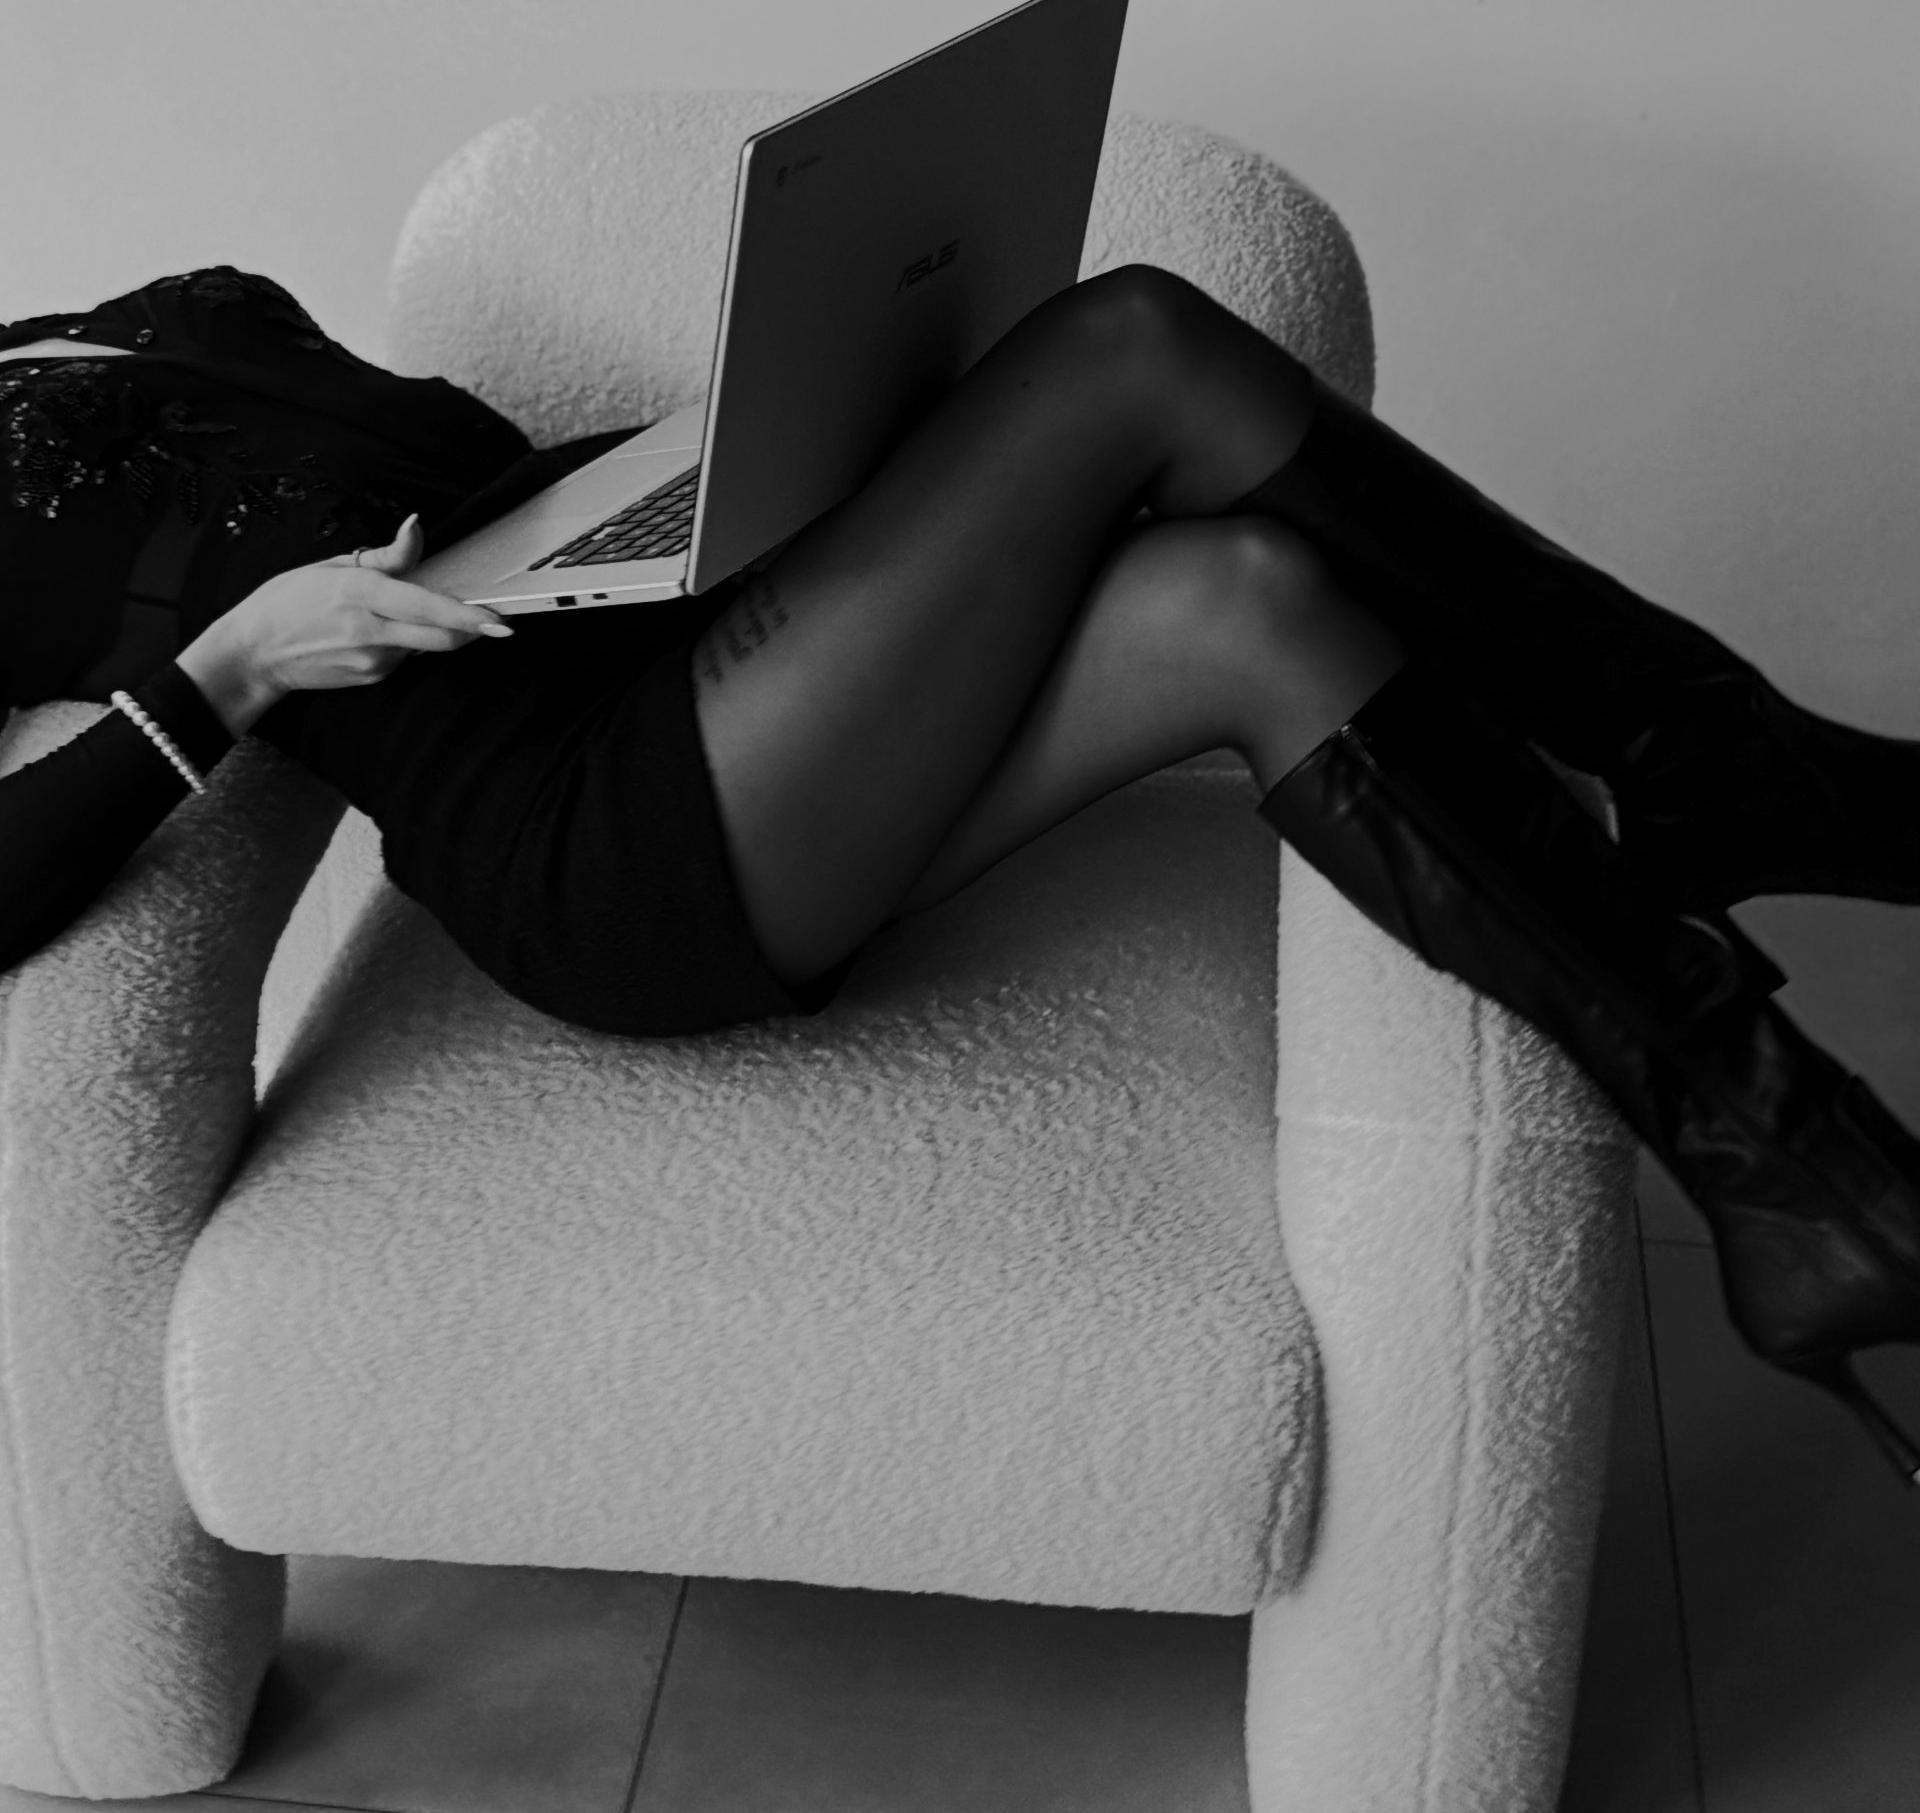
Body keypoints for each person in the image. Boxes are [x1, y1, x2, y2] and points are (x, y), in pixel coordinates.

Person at [4, 260, 1918, 1485]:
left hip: (695, 647)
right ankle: (1722, 770)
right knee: (1132, 343)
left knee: (1249, 600)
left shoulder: (106, 313)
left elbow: (434, 500)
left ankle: (1794, 1174)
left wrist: (733, 448)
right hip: (599, 842)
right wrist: (226, 672)